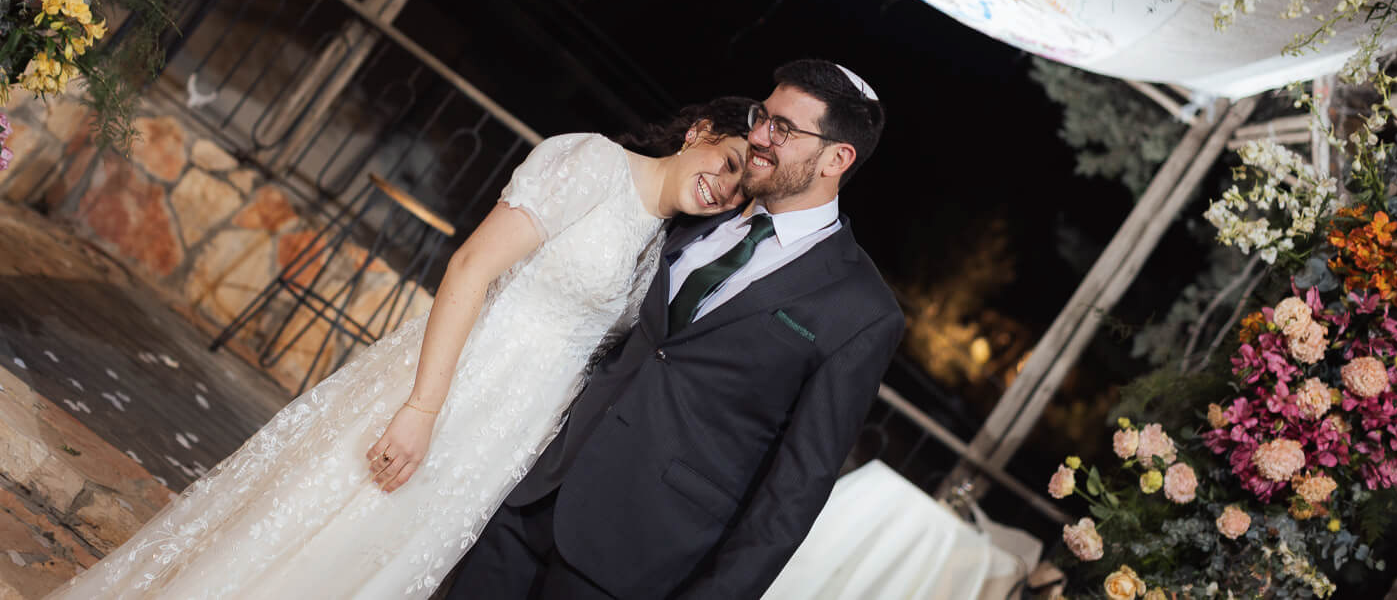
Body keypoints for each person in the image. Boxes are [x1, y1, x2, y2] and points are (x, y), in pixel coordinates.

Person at [47, 97, 754, 600]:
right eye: (728, 162)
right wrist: (422, 407)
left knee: (371, 564)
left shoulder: (661, 243)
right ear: (697, 131)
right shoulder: (594, 163)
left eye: (741, 190)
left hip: (506, 438)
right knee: (324, 528)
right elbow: (471, 266)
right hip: (456, 386)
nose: (725, 188)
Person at [450, 58, 904, 599]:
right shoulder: (704, 206)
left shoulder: (861, 309)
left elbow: (794, 494)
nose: (760, 136)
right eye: (763, 117)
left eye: (783, 128)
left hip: (636, 562)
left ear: (837, 158)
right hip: (533, 498)